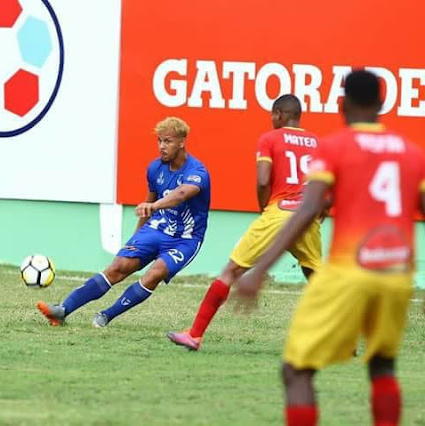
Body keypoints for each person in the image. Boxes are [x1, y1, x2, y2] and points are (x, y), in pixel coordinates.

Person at [234, 70, 424, 426]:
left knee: (297, 369)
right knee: (383, 366)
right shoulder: (412, 153)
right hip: (397, 273)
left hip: (350, 273)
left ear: (342, 104)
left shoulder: (335, 147)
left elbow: (308, 208)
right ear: (382, 104)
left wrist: (260, 270)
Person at [167, 94, 322, 351]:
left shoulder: (270, 138)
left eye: (273, 115)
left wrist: (266, 209)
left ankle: (194, 335)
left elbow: (263, 180)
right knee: (317, 277)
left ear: (279, 115)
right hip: (307, 213)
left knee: (231, 271)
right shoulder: (318, 143)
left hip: (279, 212)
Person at [38, 117, 210, 327]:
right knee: (118, 266)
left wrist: (154, 207)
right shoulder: (155, 168)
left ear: (182, 142)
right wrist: (136, 237)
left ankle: (106, 315)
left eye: (168, 141)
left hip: (185, 239)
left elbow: (182, 194)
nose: (162, 147)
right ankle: (63, 310)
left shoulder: (197, 172)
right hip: (157, 228)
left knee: (154, 274)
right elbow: (149, 202)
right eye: (159, 141)